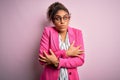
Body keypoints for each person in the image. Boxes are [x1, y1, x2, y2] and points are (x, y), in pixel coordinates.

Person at [38, 2, 85, 80]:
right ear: (53, 21)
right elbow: (42, 59)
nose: (62, 22)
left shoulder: (77, 33)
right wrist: (66, 53)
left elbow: (80, 60)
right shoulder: (47, 32)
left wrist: (57, 62)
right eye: (57, 18)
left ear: (69, 18)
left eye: (65, 17)